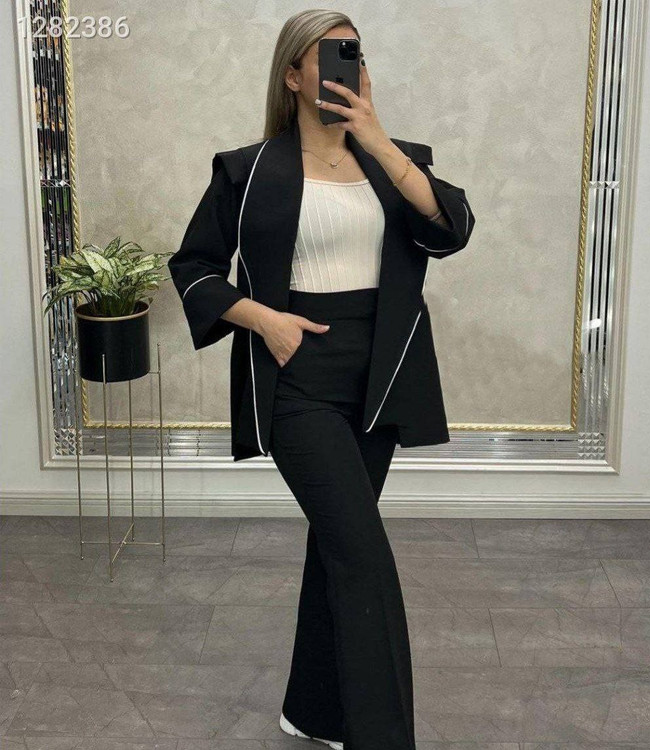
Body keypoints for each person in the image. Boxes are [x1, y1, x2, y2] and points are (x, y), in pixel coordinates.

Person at [169, 10, 475, 749]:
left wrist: (377, 138)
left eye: (355, 54)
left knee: (339, 543)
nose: (349, 67)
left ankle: (313, 710)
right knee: (363, 557)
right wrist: (263, 320)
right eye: (330, 55)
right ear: (293, 74)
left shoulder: (395, 162)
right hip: (296, 375)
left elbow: (452, 228)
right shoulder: (247, 171)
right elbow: (194, 268)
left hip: (382, 377)